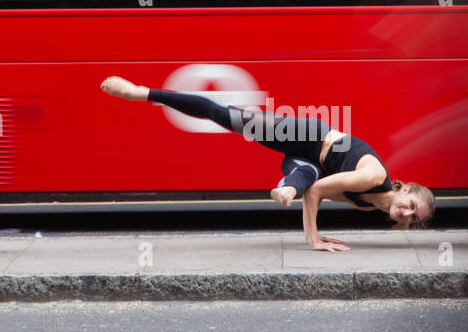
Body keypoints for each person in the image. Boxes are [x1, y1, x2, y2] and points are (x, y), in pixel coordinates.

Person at [100, 77, 434, 250]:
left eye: (413, 217)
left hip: (307, 162)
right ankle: (143, 92)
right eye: (410, 205)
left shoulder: (368, 206)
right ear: (403, 187)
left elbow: (315, 188)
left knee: (303, 176)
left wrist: (313, 223)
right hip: (307, 135)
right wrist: (313, 238)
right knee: (225, 116)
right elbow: (317, 192)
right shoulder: (374, 176)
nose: (406, 213)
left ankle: (286, 188)